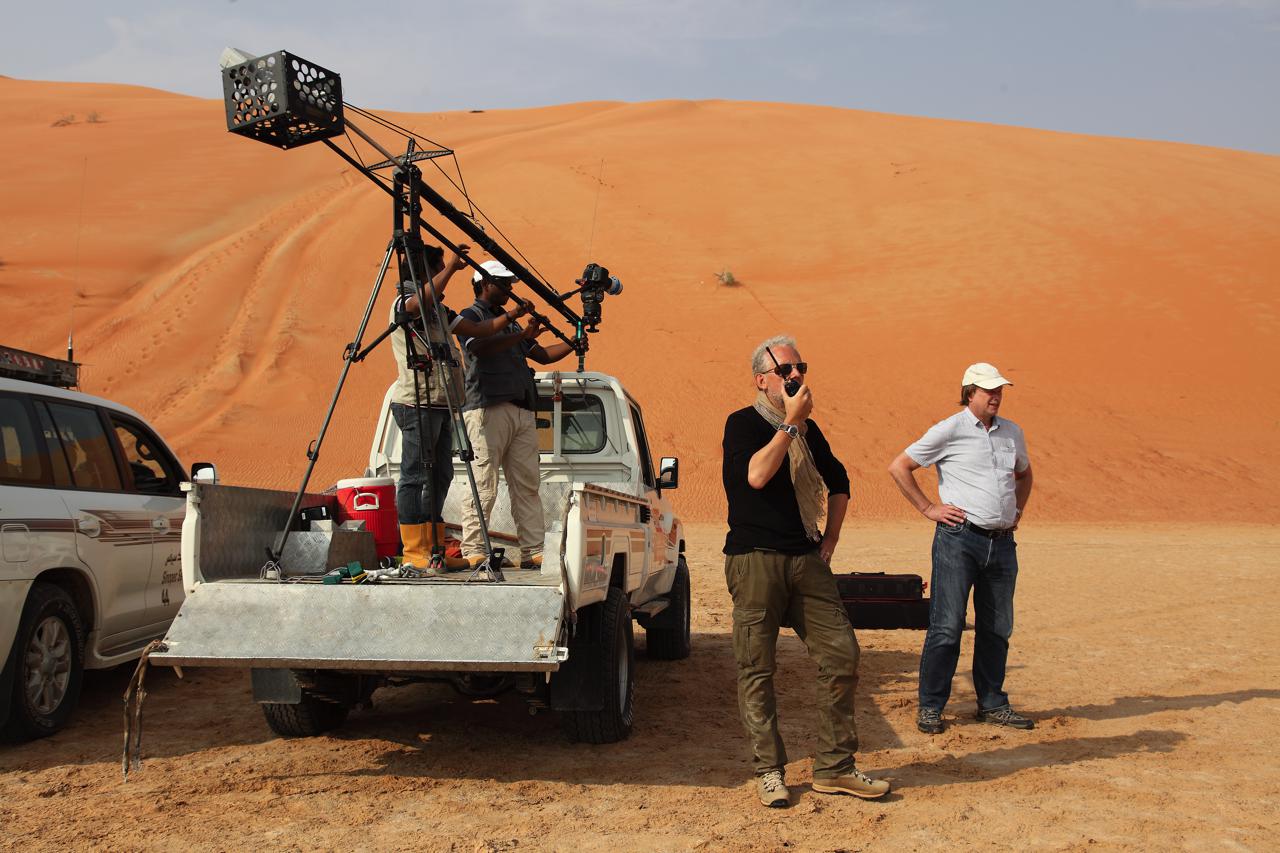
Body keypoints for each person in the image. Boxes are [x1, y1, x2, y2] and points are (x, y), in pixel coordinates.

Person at [721, 335, 890, 808]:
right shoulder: (744, 424)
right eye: (785, 371)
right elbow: (756, 476)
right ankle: (769, 772)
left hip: (806, 560)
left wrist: (830, 539)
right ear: (762, 380)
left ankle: (835, 768)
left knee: (842, 655)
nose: (795, 377)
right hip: (754, 560)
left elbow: (839, 482)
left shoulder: (810, 431)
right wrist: (791, 426)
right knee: (757, 668)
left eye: (801, 369)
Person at [887, 362, 1035, 734]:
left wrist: (1017, 509)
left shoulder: (1011, 432)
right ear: (970, 393)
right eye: (989, 391)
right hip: (959, 540)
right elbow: (900, 466)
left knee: (998, 627)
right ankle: (932, 706)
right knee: (946, 627)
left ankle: (992, 703)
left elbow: (1025, 472)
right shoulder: (949, 429)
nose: (996, 396)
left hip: (1002, 545)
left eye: (1000, 390)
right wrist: (928, 508)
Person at [390, 243, 529, 573]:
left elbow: (478, 330)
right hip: (416, 402)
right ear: (425, 272)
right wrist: (451, 267)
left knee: (440, 474)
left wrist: (512, 317)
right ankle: (414, 551)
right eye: (437, 268)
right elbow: (415, 304)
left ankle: (434, 549)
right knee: (414, 476)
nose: (444, 273)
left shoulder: (439, 309)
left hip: (441, 404)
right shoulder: (407, 302)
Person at [455, 260, 576, 570]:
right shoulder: (472, 317)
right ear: (484, 284)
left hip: (521, 408)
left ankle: (532, 550)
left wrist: (573, 342)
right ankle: (475, 550)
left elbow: (542, 354)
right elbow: (479, 347)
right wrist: (519, 330)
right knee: (484, 483)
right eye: (503, 283)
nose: (509, 288)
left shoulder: (508, 323)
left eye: (510, 283)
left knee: (526, 484)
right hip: (487, 408)